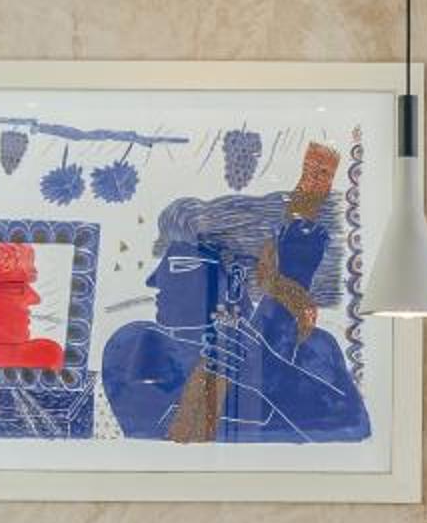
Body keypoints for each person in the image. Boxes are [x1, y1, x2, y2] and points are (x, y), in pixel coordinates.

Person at [102, 146, 371, 446]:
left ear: (233, 280)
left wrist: (274, 364)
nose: (154, 280)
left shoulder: (316, 349)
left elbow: (353, 435)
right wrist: (286, 294)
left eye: (179, 265)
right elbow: (163, 441)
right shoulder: (140, 346)